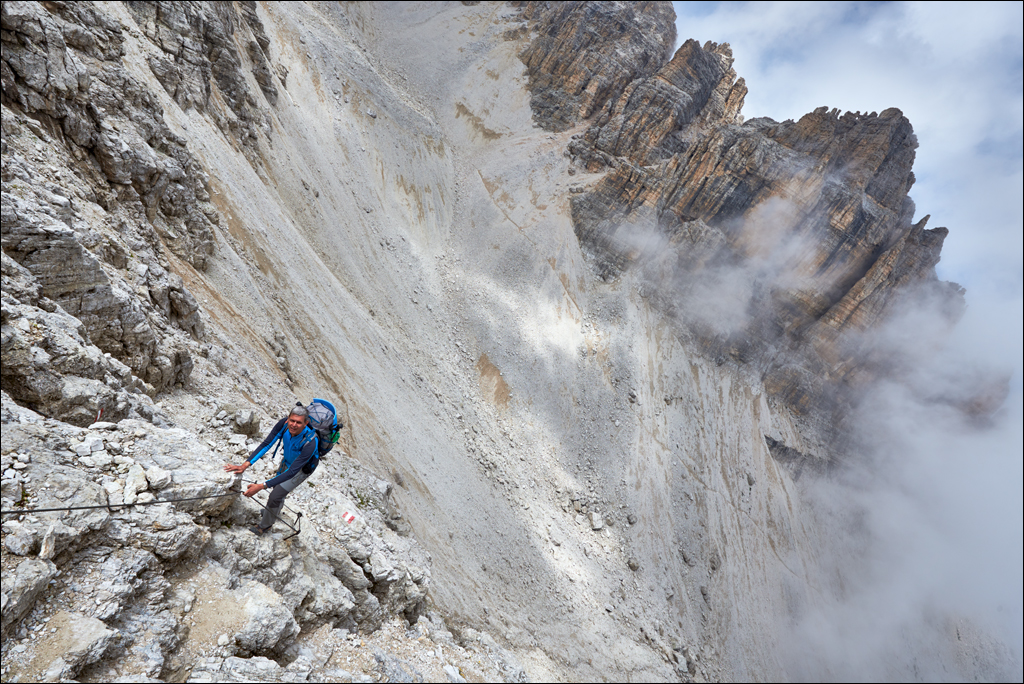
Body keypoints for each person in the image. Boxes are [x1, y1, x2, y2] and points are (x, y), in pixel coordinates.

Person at [224, 405, 319, 535]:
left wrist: (261, 486)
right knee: (277, 489)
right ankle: (273, 511)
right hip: (287, 461)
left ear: (306, 423)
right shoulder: (283, 425)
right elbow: (267, 444)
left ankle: (265, 526)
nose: (294, 425)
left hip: (300, 470)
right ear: (287, 419)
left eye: (299, 422)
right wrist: (245, 465)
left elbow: (292, 472)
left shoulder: (310, 442)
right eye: (292, 420)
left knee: (275, 495)